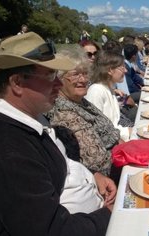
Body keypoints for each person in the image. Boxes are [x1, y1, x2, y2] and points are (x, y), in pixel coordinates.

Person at [0, 32, 111, 235]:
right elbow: (52, 230)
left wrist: (92, 176)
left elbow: (55, 164)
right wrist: (110, 214)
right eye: (50, 75)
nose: (58, 84)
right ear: (17, 83)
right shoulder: (4, 151)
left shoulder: (29, 116)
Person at [47, 46, 121, 177]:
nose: (83, 80)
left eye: (85, 73)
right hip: (109, 175)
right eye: (75, 74)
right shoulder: (64, 113)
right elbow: (98, 163)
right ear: (59, 79)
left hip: (120, 157)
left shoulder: (80, 100)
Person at [85, 50, 132, 142]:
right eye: (122, 67)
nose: (125, 70)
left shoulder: (109, 88)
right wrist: (127, 132)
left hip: (118, 135)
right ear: (110, 70)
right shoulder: (96, 91)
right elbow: (97, 128)